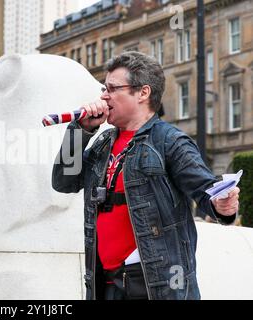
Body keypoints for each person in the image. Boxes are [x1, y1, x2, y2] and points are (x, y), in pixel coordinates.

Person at [52, 51, 240, 300]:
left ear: (143, 93)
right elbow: (63, 181)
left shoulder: (170, 142)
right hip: (103, 283)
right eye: (103, 88)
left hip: (155, 286)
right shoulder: (102, 143)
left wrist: (222, 205)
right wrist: (80, 130)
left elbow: (207, 190)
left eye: (112, 88)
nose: (104, 96)